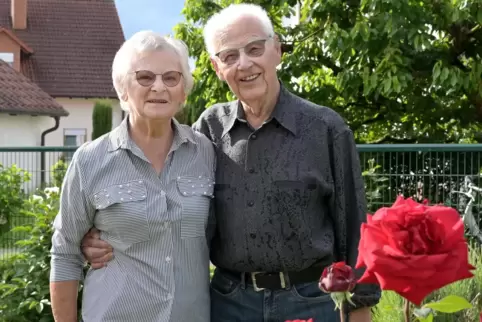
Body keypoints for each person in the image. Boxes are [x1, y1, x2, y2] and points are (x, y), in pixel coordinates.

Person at [81, 4, 381, 322]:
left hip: (311, 299)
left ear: (276, 50)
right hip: (230, 303)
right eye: (229, 56)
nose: (244, 64)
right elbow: (167, 202)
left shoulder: (326, 129)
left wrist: (359, 305)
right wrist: (102, 234)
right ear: (216, 67)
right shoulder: (208, 130)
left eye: (255, 48)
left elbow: (355, 225)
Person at [49, 30, 216, 322]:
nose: (159, 87)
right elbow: (65, 255)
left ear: (183, 91)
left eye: (171, 78)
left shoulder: (206, 153)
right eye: (145, 77)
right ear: (123, 89)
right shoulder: (90, 161)